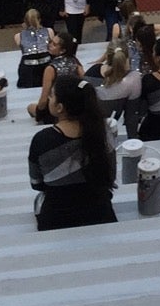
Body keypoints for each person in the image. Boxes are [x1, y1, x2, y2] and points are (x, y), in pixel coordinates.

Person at [29, 75, 116, 225]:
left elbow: (36, 183)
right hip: (101, 214)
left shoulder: (42, 139)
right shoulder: (104, 132)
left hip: (57, 219)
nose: (49, 98)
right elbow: (110, 176)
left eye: (51, 96)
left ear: (60, 107)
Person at [27, 27, 84, 123]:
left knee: (30, 107)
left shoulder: (51, 69)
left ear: (62, 51)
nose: (49, 45)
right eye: (50, 42)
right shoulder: (76, 63)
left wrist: (40, 112)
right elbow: (85, 85)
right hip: (74, 110)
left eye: (54, 44)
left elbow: (43, 100)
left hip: (56, 111)